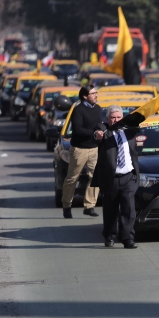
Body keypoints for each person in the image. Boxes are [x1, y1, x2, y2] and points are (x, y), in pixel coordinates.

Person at [92, 105, 140, 249]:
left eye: (118, 117)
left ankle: (128, 238)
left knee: (128, 207)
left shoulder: (129, 130)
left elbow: (138, 125)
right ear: (107, 119)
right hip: (111, 178)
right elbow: (97, 133)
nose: (116, 120)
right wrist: (98, 134)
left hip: (128, 176)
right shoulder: (104, 129)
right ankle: (109, 236)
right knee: (110, 209)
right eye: (113, 117)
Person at [61, 85, 102, 218]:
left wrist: (102, 130)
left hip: (94, 148)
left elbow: (98, 124)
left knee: (95, 178)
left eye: (96, 93)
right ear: (85, 96)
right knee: (72, 178)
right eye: (93, 93)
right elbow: (77, 130)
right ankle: (67, 205)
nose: (96, 95)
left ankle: (89, 206)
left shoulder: (98, 109)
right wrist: (94, 133)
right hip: (79, 149)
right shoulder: (78, 110)